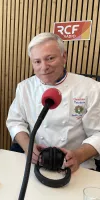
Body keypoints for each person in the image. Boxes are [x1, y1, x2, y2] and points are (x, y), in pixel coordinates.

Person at [6, 32, 100, 173]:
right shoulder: (25, 87)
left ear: (64, 57)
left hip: (78, 165)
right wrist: (28, 147)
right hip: (36, 161)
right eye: (37, 61)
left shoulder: (91, 88)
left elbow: (98, 133)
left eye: (50, 58)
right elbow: (15, 122)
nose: (44, 67)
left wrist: (79, 156)